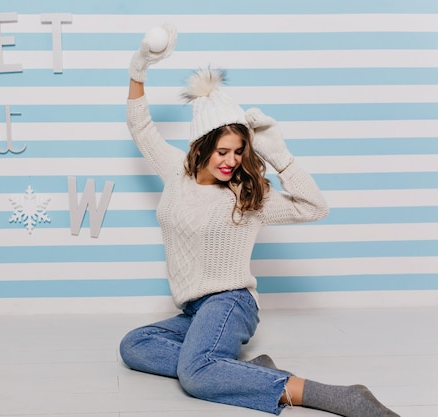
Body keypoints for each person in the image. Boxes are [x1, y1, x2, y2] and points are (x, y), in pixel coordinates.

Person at [119, 24, 399, 417]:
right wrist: (139, 68)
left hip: (231, 302)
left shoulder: (246, 196)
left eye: (237, 151)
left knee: (195, 375)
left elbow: (314, 207)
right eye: (221, 151)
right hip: (193, 310)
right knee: (134, 345)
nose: (231, 161)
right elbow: (141, 127)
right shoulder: (175, 172)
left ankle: (340, 396)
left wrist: (280, 155)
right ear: (200, 149)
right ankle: (230, 371)